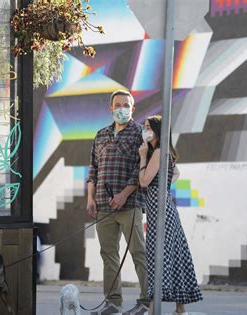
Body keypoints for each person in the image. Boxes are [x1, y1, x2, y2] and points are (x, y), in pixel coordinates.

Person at [86, 90, 149, 315]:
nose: (122, 108)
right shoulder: (101, 134)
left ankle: (146, 301)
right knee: (108, 254)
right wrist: (90, 197)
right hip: (103, 205)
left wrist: (124, 194)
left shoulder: (141, 133)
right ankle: (113, 302)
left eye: (126, 105)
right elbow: (93, 168)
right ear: (110, 108)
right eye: (118, 105)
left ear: (133, 109)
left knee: (138, 253)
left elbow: (139, 170)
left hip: (130, 205)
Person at [138, 115, 203, 315]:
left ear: (157, 131)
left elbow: (144, 181)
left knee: (158, 253)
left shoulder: (157, 152)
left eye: (148, 127)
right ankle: (179, 307)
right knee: (173, 252)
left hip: (159, 207)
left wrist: (142, 157)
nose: (145, 130)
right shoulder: (163, 152)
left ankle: (152, 307)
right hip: (165, 205)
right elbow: (174, 175)